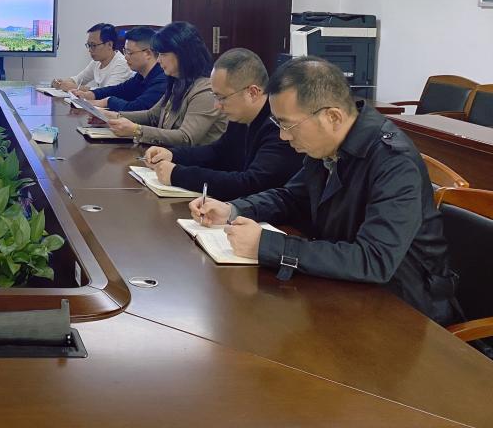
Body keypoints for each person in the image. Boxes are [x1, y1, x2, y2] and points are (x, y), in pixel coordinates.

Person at [191, 56, 460, 324]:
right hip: (349, 289)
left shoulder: (394, 163)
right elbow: (290, 197)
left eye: (288, 125)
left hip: (406, 308)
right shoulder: (327, 145)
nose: (283, 136)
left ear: (333, 117)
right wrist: (233, 209)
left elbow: (374, 260)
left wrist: (267, 245)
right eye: (278, 124)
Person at [143, 48, 302, 198]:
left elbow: (251, 184)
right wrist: (173, 154)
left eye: (222, 98)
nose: (217, 105)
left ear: (252, 93)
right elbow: (218, 152)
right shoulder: (241, 117)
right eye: (215, 97)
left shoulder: (279, 126)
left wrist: (178, 175)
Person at [106, 21, 225, 147]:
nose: (158, 60)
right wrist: (115, 116)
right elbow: (152, 116)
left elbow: (186, 137)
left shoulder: (206, 91)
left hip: (189, 158)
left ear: (182, 54)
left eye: (163, 54)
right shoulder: (178, 81)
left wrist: (137, 130)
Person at [71, 26, 166, 111]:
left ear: (148, 54)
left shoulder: (162, 80)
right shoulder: (141, 76)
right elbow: (119, 90)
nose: (126, 57)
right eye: (125, 51)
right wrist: (90, 94)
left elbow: (137, 108)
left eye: (129, 52)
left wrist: (108, 102)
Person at [51, 23, 132, 92]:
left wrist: (75, 88)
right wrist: (61, 83)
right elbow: (78, 79)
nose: (90, 50)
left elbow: (107, 92)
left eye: (93, 45)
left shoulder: (122, 64)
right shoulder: (97, 62)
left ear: (109, 45)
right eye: (89, 45)